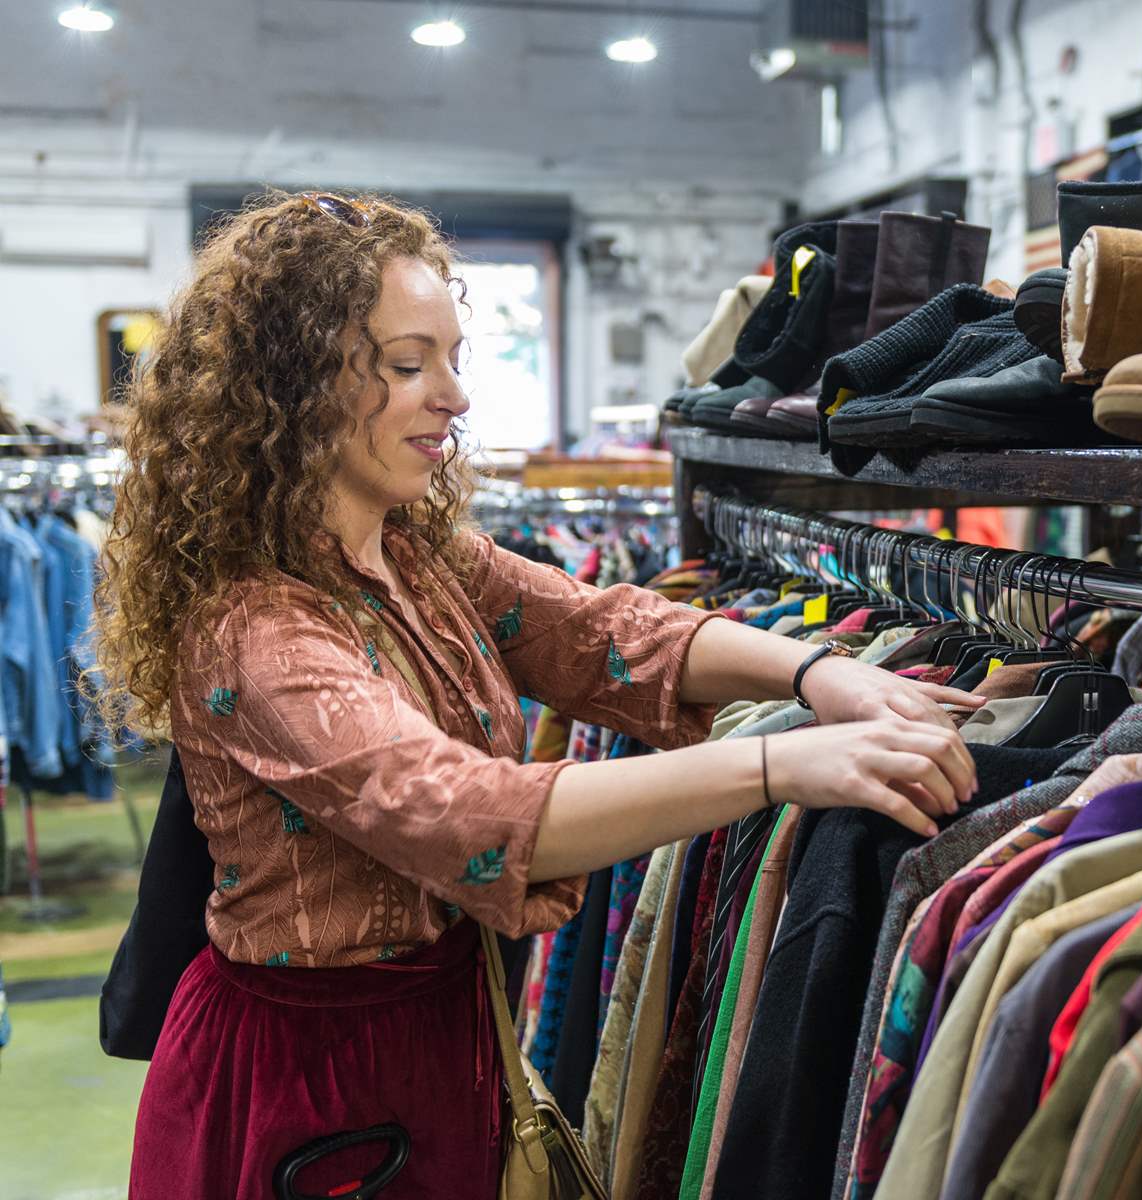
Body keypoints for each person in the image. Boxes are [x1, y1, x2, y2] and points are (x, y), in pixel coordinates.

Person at [93, 190, 984, 1199]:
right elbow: (468, 813)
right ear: (294, 387)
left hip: (442, 1028)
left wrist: (821, 671)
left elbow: (604, 633)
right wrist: (777, 762)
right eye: (405, 364)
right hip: (305, 1079)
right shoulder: (257, 631)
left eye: (452, 359)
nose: (453, 397)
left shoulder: (414, 555)